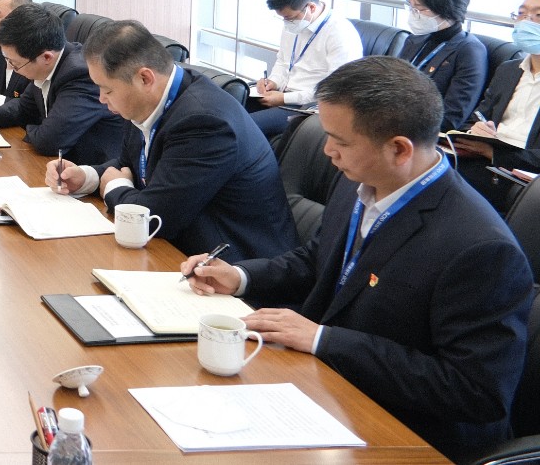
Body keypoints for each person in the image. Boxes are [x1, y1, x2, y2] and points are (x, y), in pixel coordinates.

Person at [184, 56, 531, 461]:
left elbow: (475, 392)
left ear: (398, 149)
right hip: (326, 391)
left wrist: (324, 340)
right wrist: (241, 276)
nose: (327, 150)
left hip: (404, 431)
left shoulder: (481, 249)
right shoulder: (361, 181)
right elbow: (320, 259)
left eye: (340, 141)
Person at [44, 20, 296, 261]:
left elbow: (154, 218)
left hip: (234, 264)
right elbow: (128, 165)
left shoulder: (204, 123)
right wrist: (86, 177)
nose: (101, 98)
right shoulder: (149, 100)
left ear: (145, 78)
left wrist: (113, 187)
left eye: (107, 89)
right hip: (180, 250)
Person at [0, 4, 127, 164]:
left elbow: (49, 142)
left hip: (91, 170)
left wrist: (35, 128)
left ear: (46, 57)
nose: (13, 69)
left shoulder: (80, 75)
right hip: (58, 164)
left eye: (15, 64)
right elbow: (23, 107)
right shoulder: (46, 66)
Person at [449, 0, 540, 210]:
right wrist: (478, 129)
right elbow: (479, 116)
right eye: (521, 13)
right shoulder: (509, 70)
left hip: (526, 180)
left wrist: (494, 153)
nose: (526, 22)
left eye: (538, 15)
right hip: (486, 165)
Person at [249, 0, 362, 139]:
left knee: (244, 126)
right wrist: (273, 81)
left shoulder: (340, 34)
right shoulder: (294, 23)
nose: (287, 23)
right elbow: (283, 61)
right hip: (281, 95)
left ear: (311, 8)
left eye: (289, 18)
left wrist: (284, 98)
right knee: (226, 112)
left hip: (306, 106)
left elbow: (334, 91)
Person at [401, 0, 487, 131]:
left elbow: (451, 117)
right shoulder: (414, 40)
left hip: (421, 132)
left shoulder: (470, 51)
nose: (414, 15)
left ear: (446, 9)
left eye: (420, 9)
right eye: (411, 8)